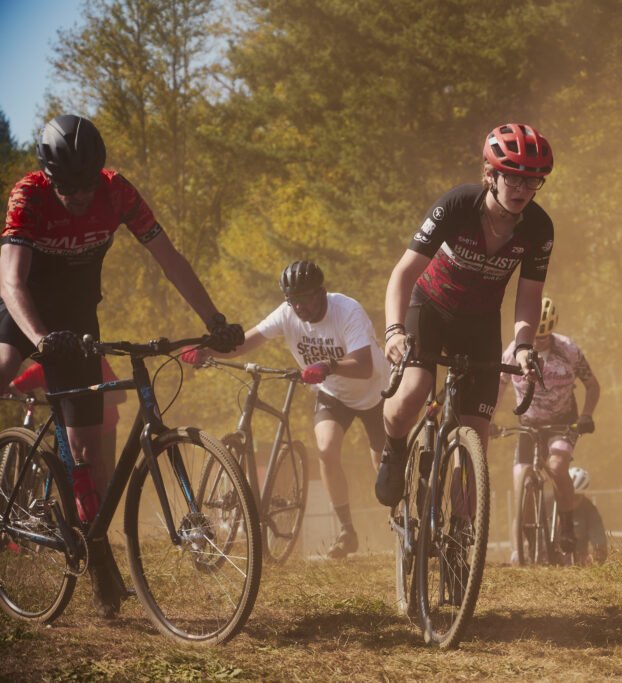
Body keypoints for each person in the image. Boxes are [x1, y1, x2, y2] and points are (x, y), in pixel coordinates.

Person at [0, 114, 245, 620]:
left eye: (86, 184)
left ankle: (96, 554)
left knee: (89, 451)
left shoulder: (117, 191)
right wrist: (39, 339)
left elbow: (169, 258)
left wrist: (214, 319)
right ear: (49, 177)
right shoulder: (29, 195)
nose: (79, 196)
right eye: (68, 187)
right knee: (2, 366)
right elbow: (12, 282)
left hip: (77, 318)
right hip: (23, 310)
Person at [374, 123, 555, 508]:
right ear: (490, 174)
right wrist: (393, 331)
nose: (523, 189)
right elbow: (403, 273)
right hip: (430, 309)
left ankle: (461, 532)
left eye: (532, 181)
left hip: (480, 324)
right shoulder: (457, 205)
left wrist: (524, 346)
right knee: (413, 392)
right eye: (514, 178)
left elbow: (528, 297)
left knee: (476, 439)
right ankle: (394, 448)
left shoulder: (539, 228)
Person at [183, 260, 388, 559]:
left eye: (304, 298)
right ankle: (347, 531)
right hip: (333, 393)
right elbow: (247, 341)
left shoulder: (347, 310)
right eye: (292, 300)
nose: (298, 306)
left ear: (322, 293)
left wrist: (328, 366)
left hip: (375, 391)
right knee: (327, 450)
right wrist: (206, 351)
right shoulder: (287, 313)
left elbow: (364, 366)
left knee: (383, 467)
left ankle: (402, 521)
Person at [497, 296, 600, 553]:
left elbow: (592, 385)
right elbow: (498, 387)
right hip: (529, 424)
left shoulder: (568, 349)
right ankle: (528, 548)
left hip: (562, 423)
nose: (539, 341)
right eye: (535, 335)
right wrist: (489, 419)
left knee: (556, 466)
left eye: (544, 335)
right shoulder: (513, 352)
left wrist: (586, 415)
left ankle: (566, 527)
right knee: (520, 483)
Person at [7, 358, 126, 489]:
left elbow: (120, 395)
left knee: (102, 483)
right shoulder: (45, 367)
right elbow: (13, 387)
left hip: (103, 431)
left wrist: (79, 405)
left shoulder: (94, 360)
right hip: (76, 433)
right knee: (80, 484)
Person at [568, 466, 608, 564]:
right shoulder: (549, 504)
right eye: (567, 496)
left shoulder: (589, 511)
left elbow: (600, 544)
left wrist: (596, 560)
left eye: (576, 497)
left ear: (583, 495)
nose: (571, 500)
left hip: (576, 564)